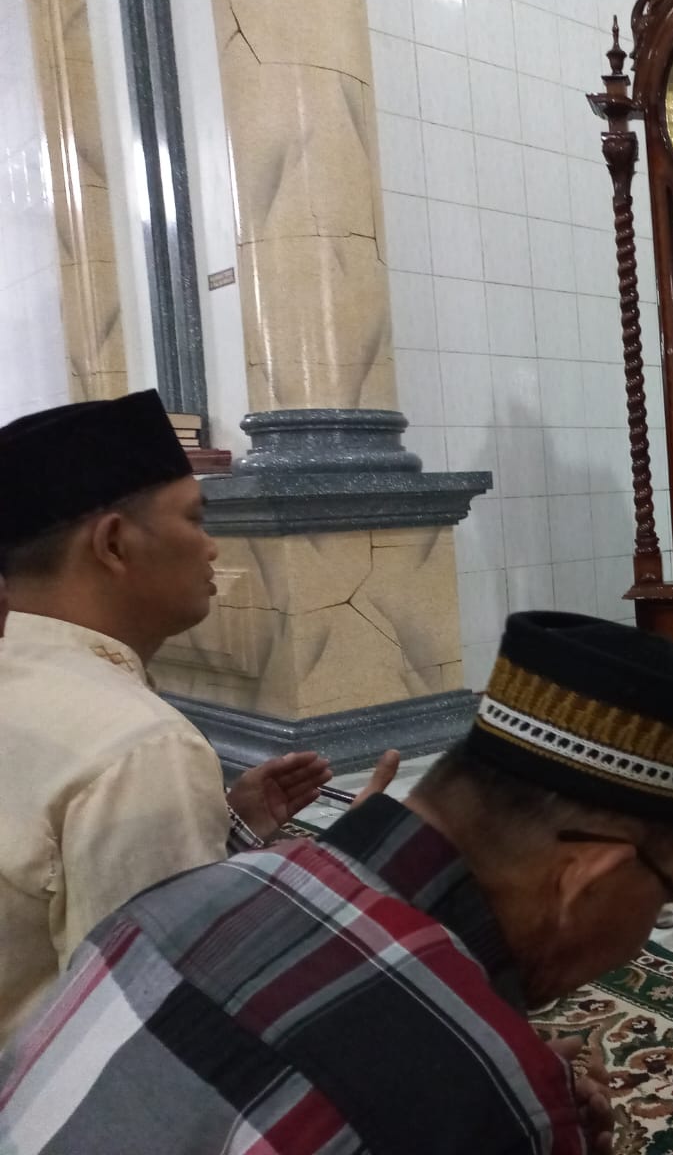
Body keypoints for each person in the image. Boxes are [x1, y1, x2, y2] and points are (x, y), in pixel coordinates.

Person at [0, 610, 673, 1155]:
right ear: (587, 877)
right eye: (668, 896)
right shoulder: (491, 1102)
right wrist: (502, 1095)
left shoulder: (181, 899)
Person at [0, 391, 398, 1040]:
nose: (212, 549)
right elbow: (162, 1030)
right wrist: (348, 868)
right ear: (114, 543)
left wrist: (224, 829)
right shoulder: (141, 748)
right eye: (194, 519)